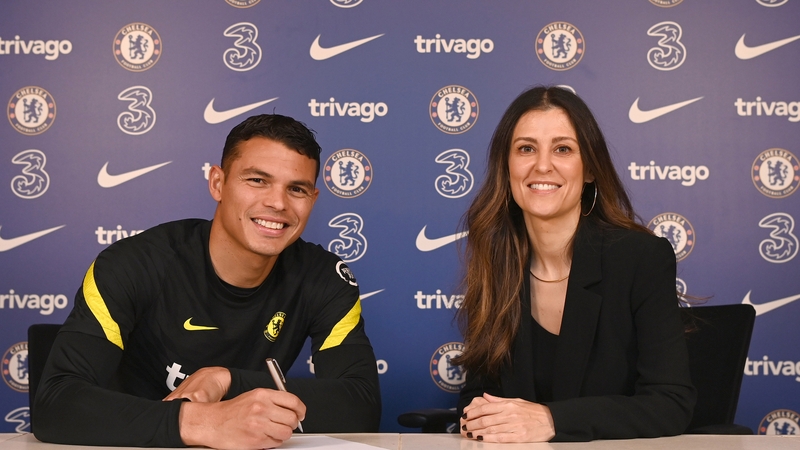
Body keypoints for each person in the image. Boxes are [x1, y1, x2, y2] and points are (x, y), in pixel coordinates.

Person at [33, 114, 381, 449]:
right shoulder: (132, 264)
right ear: (218, 183)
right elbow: (56, 403)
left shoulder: (324, 276)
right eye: (257, 180)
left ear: (313, 200)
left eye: (297, 189)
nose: (277, 203)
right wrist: (206, 421)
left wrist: (226, 379)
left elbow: (362, 405)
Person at [455, 86, 696, 442]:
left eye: (563, 149)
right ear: (506, 168)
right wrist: (479, 418)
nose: (542, 165)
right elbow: (479, 393)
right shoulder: (497, 258)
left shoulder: (640, 258)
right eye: (526, 149)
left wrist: (553, 420)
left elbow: (670, 403)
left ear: (590, 171)